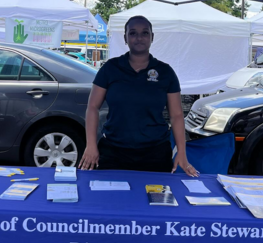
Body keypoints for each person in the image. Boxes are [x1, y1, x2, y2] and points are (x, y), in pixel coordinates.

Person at [78, 15, 198, 177]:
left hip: (155, 154)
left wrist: (182, 152)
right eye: (133, 33)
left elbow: (176, 115)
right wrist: (91, 145)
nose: (139, 38)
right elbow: (92, 107)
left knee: (156, 200)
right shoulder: (110, 69)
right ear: (125, 38)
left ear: (152, 37)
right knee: (111, 199)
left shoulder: (165, 72)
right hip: (114, 151)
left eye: (145, 33)